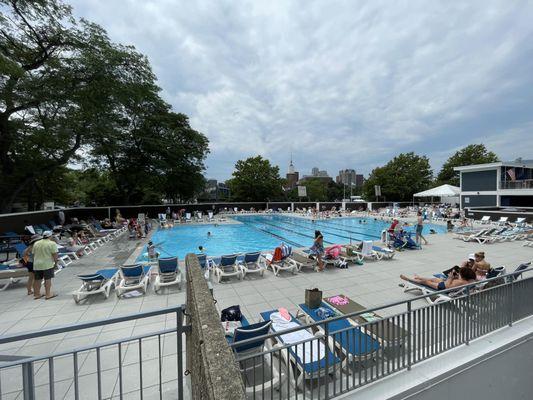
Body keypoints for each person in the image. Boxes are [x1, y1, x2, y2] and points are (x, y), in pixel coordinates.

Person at [400, 266, 476, 291]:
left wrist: (450, 278)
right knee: (433, 279)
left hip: (442, 287)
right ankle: (418, 277)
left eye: (460, 273)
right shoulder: (467, 281)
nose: (459, 274)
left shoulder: (461, 282)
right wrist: (453, 278)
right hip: (445, 283)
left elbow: (447, 287)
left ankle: (409, 279)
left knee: (425, 282)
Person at [32, 231, 58, 299]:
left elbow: (33, 254)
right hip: (47, 264)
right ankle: (48, 294)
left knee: (37, 280)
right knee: (47, 279)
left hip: (37, 264)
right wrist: (56, 263)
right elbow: (55, 255)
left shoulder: (36, 243)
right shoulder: (52, 243)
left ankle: (37, 294)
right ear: (50, 236)